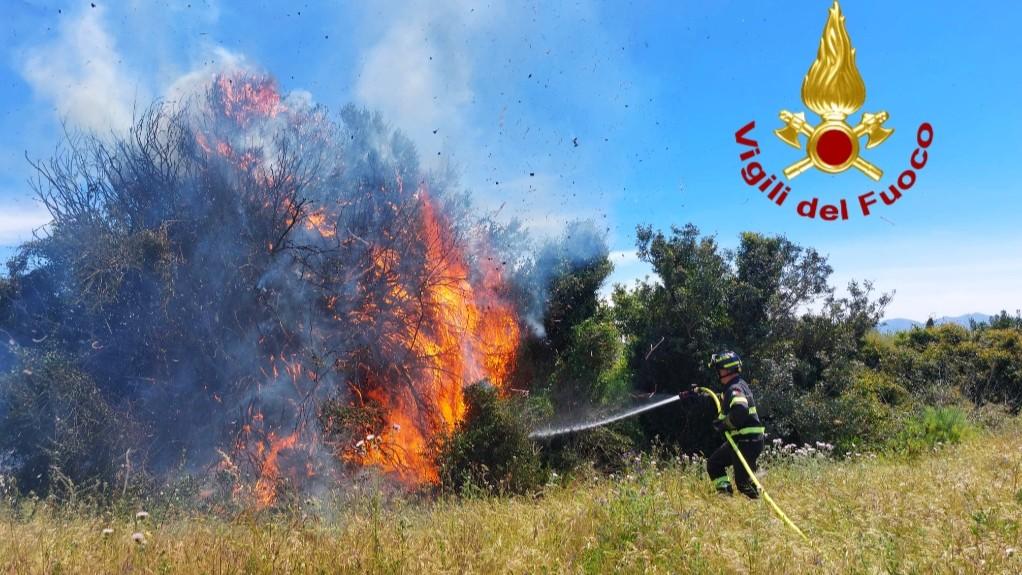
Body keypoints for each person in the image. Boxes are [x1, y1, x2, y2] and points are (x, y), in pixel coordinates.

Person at [683, 350, 765, 498]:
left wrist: (724, 424)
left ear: (726, 370)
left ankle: (760, 506)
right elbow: (719, 399)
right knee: (714, 464)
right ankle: (725, 497)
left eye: (719, 369)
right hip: (742, 441)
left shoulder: (734, 389)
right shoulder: (735, 386)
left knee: (744, 484)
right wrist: (697, 395)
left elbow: (740, 410)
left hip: (747, 442)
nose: (718, 373)